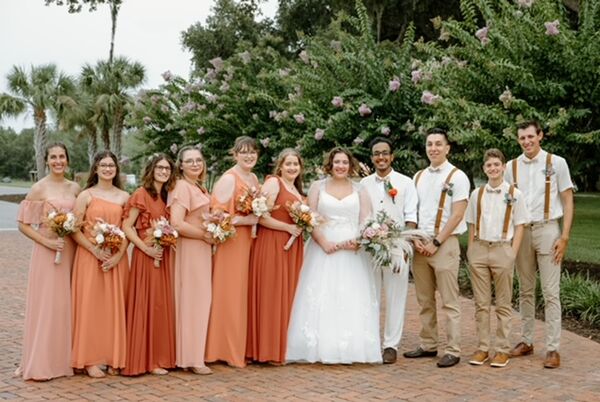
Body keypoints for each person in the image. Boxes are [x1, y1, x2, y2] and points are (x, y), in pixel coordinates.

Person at [286, 147, 381, 364]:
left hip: (351, 249)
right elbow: (310, 218)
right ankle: (319, 347)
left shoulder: (360, 189)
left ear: (350, 165)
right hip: (322, 247)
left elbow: (366, 219)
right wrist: (323, 242)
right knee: (322, 293)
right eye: (337, 162)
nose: (341, 166)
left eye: (345, 162)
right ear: (330, 164)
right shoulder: (317, 187)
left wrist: (359, 240)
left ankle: (351, 348)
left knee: (350, 294)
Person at [505, 120, 574, 369]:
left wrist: (564, 237)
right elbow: (507, 203)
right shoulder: (511, 167)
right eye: (522, 138)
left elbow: (568, 201)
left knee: (550, 292)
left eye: (530, 136)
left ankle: (553, 348)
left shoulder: (557, 163)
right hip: (522, 231)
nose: (527, 142)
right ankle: (527, 341)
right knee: (525, 290)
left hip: (548, 229)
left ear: (540, 136)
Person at [404, 128, 470, 368]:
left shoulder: (458, 177)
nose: (433, 148)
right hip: (421, 243)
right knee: (424, 299)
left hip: (444, 243)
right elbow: (412, 210)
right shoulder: (418, 176)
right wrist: (414, 238)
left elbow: (457, 214)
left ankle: (453, 349)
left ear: (447, 148)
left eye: (438, 144)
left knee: (449, 300)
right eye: (430, 144)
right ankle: (428, 344)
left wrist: (437, 242)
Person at [15, 143, 80, 381]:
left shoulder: (75, 188)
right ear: (47, 161)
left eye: (62, 156)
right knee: (47, 304)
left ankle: (67, 358)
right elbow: (23, 225)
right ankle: (41, 360)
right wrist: (47, 242)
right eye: (53, 157)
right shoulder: (39, 188)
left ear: (68, 160)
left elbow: (80, 219)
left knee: (67, 304)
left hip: (70, 249)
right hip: (47, 251)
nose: (58, 161)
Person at [465, 149, 528, 368]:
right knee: (481, 304)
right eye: (489, 165)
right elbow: (471, 222)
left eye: (496, 165)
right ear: (484, 169)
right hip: (480, 248)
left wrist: (512, 253)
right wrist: (471, 250)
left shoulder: (515, 194)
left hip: (503, 249)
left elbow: (520, 225)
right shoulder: (477, 194)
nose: (493, 168)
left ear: (503, 167)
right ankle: (483, 348)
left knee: (503, 303)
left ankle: (502, 349)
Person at [71, 150, 130, 378]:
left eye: (111, 165)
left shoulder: (124, 196)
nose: (107, 169)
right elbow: (74, 230)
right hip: (89, 257)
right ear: (95, 169)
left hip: (116, 259)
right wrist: (94, 249)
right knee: (91, 307)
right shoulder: (85, 195)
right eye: (103, 165)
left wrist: (118, 256)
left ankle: (113, 356)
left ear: (116, 169)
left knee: (114, 308)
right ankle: (90, 359)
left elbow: (127, 231)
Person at [360, 137, 418, 364]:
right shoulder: (363, 184)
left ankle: (391, 345)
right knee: (370, 295)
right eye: (376, 153)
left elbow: (411, 216)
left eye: (385, 153)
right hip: (370, 247)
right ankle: (371, 341)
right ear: (372, 157)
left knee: (396, 296)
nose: (381, 157)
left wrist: (405, 247)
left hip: (396, 246)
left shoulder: (405, 183)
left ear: (392, 156)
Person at [246, 148, 305, 364]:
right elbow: (260, 216)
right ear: (280, 166)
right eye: (288, 164)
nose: (292, 167)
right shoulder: (273, 183)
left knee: (285, 294)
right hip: (272, 243)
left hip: (291, 246)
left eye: (295, 164)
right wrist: (287, 228)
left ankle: (278, 347)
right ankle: (265, 350)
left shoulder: (296, 188)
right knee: (271, 294)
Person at [205, 136, 260, 368]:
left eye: (252, 152)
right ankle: (223, 350)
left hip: (248, 242)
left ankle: (237, 346)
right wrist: (247, 220)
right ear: (235, 154)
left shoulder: (254, 178)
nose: (249, 156)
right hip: (232, 243)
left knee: (241, 295)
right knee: (229, 294)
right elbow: (217, 216)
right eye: (243, 152)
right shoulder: (229, 179)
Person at [121, 153, 176, 376]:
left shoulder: (168, 196)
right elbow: (127, 226)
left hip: (163, 255)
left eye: (167, 168)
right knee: (148, 303)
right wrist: (145, 248)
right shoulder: (141, 194)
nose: (164, 171)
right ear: (151, 170)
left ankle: (159, 356)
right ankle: (146, 360)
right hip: (146, 255)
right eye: (160, 168)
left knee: (160, 304)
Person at [168, 145, 214, 375]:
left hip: (202, 249)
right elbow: (176, 223)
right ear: (181, 165)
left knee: (201, 300)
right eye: (190, 161)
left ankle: (193, 354)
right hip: (190, 249)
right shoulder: (182, 187)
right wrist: (204, 235)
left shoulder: (198, 186)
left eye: (198, 160)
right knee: (193, 301)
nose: (195, 164)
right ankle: (191, 358)